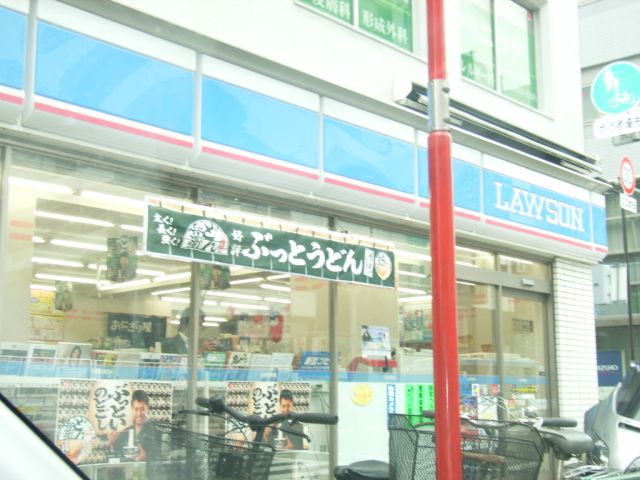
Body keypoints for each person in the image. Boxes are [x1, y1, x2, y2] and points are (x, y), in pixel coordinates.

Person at [109, 389, 157, 461]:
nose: (139, 414)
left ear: (148, 409)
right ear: (132, 409)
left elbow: (162, 459)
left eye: (142, 409)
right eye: (136, 409)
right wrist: (112, 445)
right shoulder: (125, 432)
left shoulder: (156, 432)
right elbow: (117, 456)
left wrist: (147, 457)